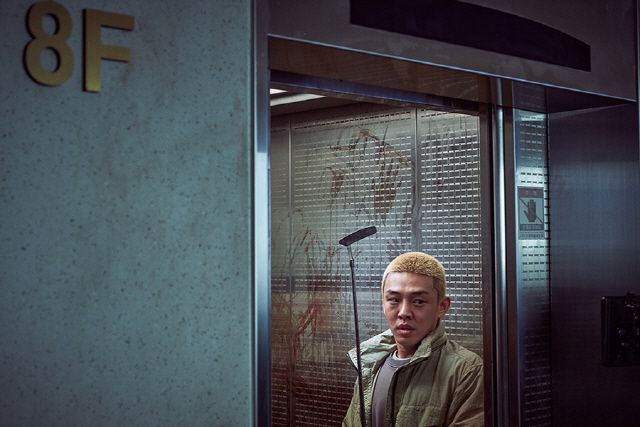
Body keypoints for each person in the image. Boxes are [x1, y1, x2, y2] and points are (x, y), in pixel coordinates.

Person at [342, 252, 483, 427]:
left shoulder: (467, 371)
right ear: (383, 303)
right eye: (394, 300)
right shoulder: (369, 364)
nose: (404, 313)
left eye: (418, 302)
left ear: (442, 306)